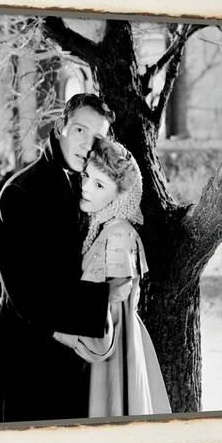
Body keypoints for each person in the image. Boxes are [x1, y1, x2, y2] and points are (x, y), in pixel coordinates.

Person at [0, 93, 122, 423]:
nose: (87, 144)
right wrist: (106, 296)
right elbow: (27, 293)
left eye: (97, 137)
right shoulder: (19, 193)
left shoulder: (89, 190)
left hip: (73, 352)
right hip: (28, 355)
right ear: (61, 127)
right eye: (80, 130)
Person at [53, 137, 172, 417]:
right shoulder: (103, 227)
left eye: (99, 184)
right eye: (87, 177)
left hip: (111, 354)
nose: (85, 188)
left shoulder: (118, 234)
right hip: (109, 345)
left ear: (120, 196)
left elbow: (111, 314)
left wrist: (57, 332)